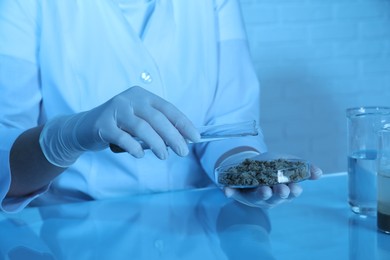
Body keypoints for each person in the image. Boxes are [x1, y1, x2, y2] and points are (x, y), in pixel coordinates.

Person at [0, 0, 322, 212]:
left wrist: (241, 166)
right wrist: (66, 138)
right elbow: (6, 171)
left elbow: (230, 119)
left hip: (198, 227)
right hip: (74, 232)